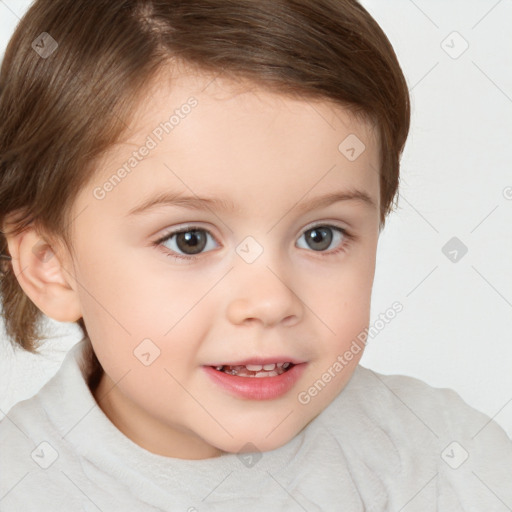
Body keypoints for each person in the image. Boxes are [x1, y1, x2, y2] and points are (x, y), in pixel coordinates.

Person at [0, 0, 511, 510]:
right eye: (190, 240)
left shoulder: (449, 464)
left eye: (320, 235)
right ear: (51, 267)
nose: (269, 301)